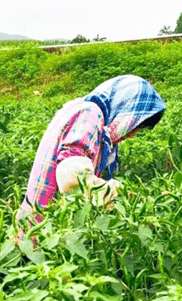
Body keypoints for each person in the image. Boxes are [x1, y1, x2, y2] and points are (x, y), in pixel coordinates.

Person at [18, 75, 167, 224]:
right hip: (45, 229)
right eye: (135, 123)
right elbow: (72, 179)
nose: (133, 133)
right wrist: (123, 195)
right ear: (125, 106)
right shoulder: (88, 114)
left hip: (44, 222)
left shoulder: (89, 116)